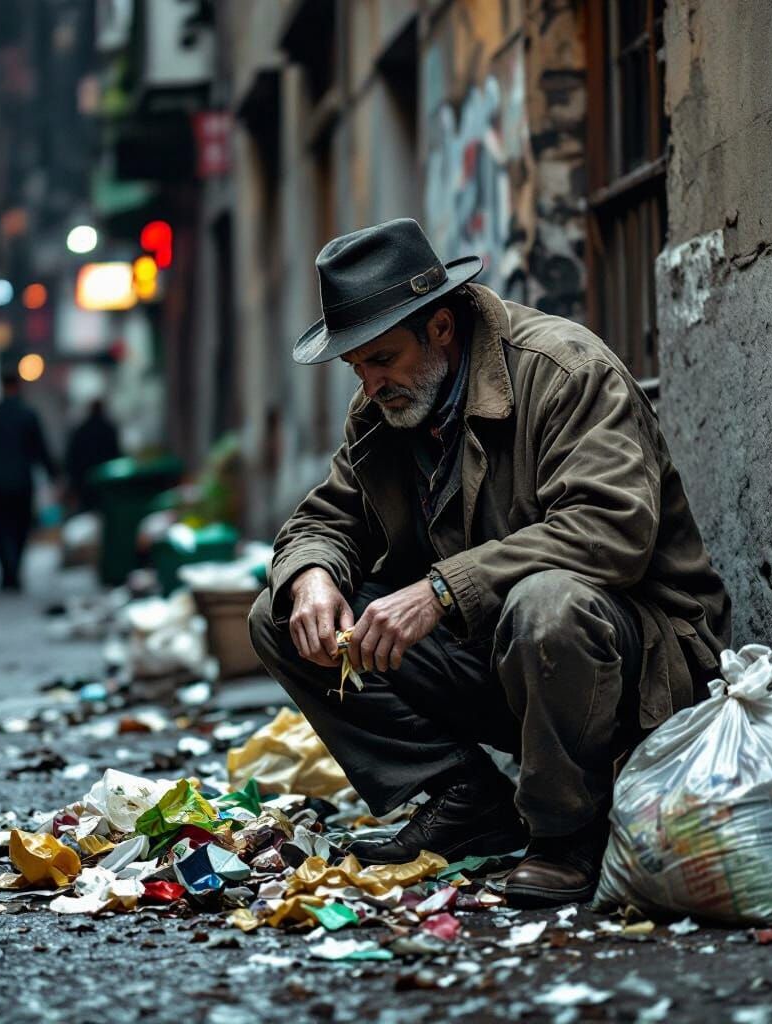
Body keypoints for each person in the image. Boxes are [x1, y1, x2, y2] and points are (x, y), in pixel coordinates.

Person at [248, 218, 731, 908]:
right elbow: (326, 518)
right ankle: (466, 798)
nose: (369, 381)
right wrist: (314, 576)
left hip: (635, 661)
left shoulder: (564, 370)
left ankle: (567, 838)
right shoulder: (387, 405)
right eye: (356, 366)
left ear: (440, 327)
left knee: (548, 604)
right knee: (280, 614)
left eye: (381, 358)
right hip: (505, 663)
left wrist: (442, 590)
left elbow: (609, 530)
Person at [0, 366, 57, 591]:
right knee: (20, 527)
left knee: (0, 527)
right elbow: (40, 448)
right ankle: (14, 569)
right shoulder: (27, 414)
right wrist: (53, 473)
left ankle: (7, 571)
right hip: (21, 482)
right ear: (18, 386)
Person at [64, 397, 121, 511]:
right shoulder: (109, 429)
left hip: (85, 481)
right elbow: (116, 454)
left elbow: (72, 458)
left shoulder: (81, 430)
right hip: (106, 480)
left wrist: (73, 482)